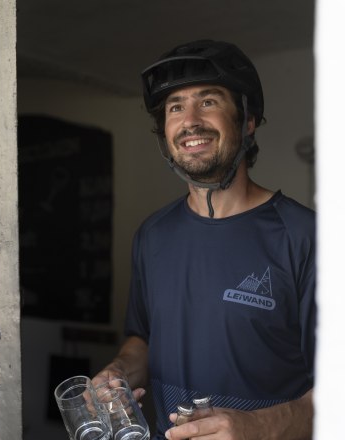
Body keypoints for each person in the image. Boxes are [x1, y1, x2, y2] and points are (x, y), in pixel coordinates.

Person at [93, 40, 316, 440]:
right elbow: (141, 338)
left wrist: (257, 426)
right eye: (175, 107)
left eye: (208, 101)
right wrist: (120, 372)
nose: (190, 120)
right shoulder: (153, 235)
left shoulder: (306, 237)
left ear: (248, 121)